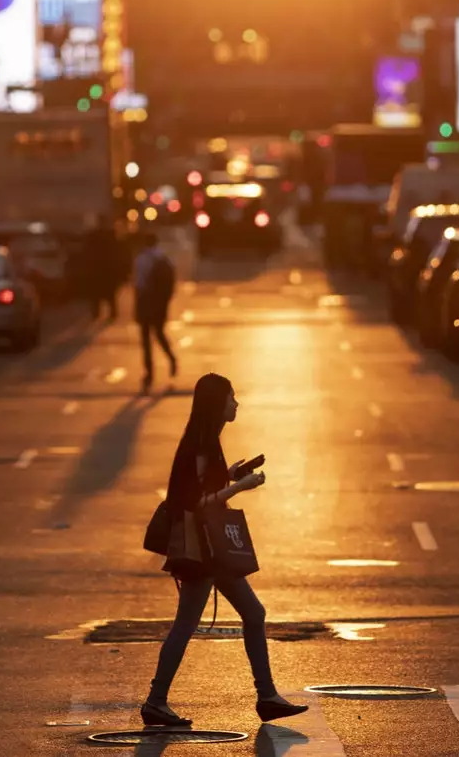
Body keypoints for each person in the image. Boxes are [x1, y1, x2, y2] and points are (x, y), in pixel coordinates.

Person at [142, 373, 306, 728]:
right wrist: (241, 486)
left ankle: (267, 697)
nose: (236, 403)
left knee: (253, 613)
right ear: (218, 403)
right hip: (201, 551)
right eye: (232, 397)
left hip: (211, 549)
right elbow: (197, 502)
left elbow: (202, 486)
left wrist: (229, 474)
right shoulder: (200, 446)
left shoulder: (206, 442)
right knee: (186, 625)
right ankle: (156, 701)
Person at [132, 231, 177, 388]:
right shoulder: (163, 258)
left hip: (145, 302)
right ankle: (171, 358)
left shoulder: (140, 259)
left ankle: (149, 374)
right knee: (159, 333)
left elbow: (138, 284)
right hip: (159, 303)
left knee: (145, 339)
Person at [79, 216, 120, 321]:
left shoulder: (94, 236)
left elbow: (87, 252)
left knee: (96, 294)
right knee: (107, 294)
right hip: (105, 270)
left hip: (99, 270)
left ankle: (97, 313)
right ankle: (110, 313)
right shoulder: (109, 236)